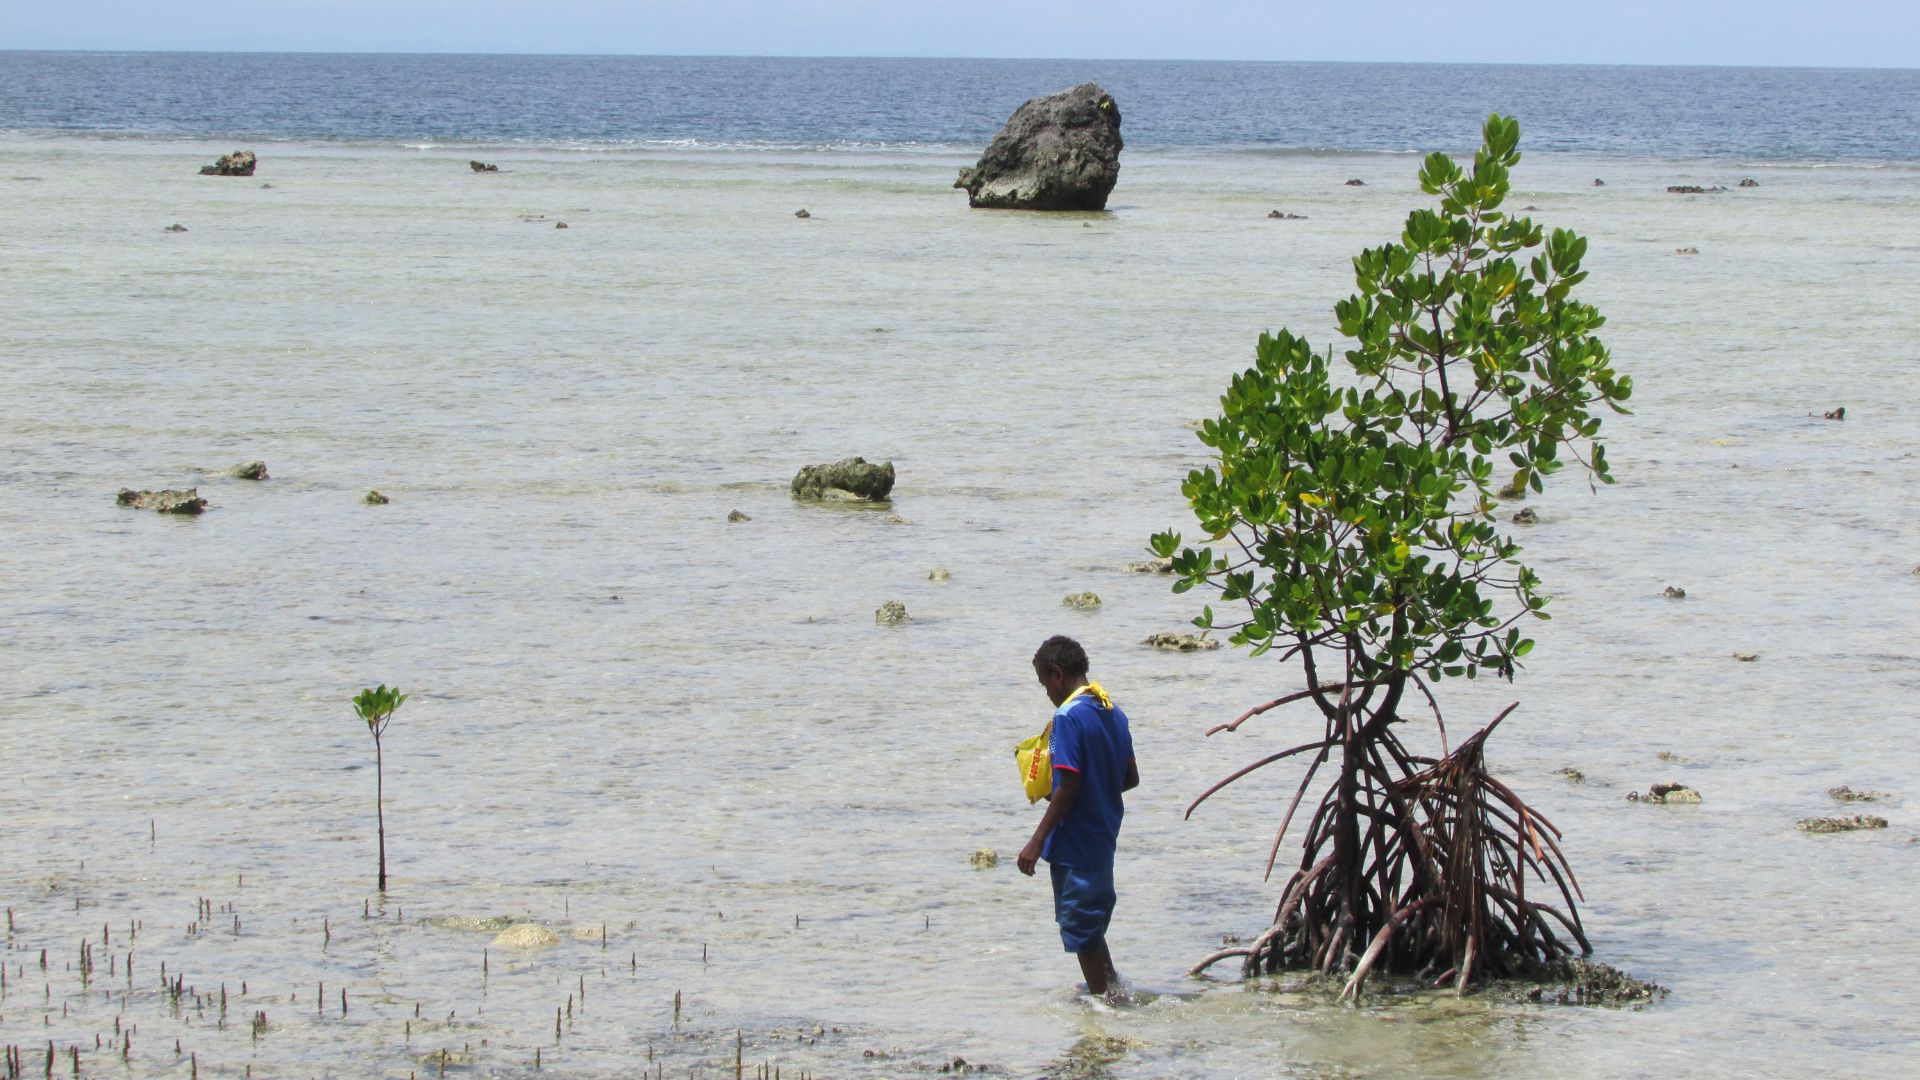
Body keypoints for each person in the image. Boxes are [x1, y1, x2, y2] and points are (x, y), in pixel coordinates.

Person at [1018, 635, 1138, 999]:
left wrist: (1037, 840)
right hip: (1103, 835)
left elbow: (1067, 783)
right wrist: (1098, 784)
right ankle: (1110, 987)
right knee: (1092, 921)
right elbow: (1130, 778)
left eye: (1044, 684)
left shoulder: (1067, 717)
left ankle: (1104, 1005)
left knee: (1080, 926)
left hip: (1075, 841)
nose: (1047, 694)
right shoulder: (1112, 711)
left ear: (1056, 674)